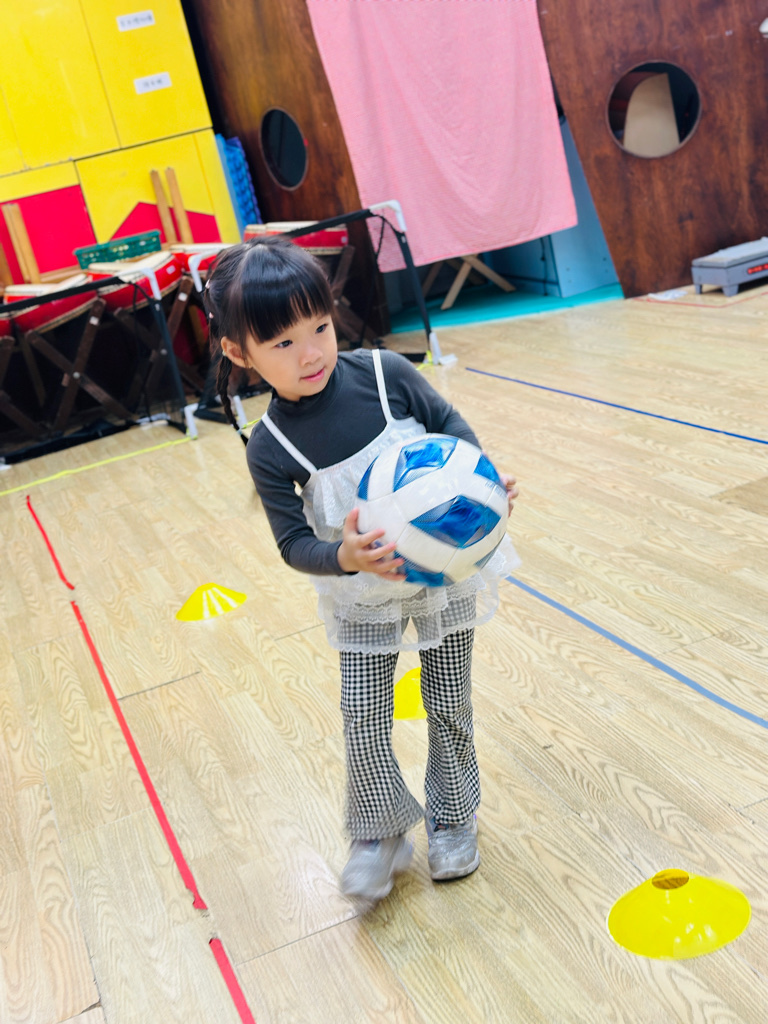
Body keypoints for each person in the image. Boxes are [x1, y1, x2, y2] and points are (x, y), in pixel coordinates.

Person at [204, 237, 520, 903]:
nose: (311, 353)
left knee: (448, 701)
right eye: (283, 343)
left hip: (443, 579)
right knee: (363, 714)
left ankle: (454, 816)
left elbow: (451, 426)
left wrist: (484, 484)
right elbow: (294, 544)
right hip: (361, 598)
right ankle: (379, 832)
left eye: (319, 328)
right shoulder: (270, 447)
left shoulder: (385, 373)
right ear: (239, 353)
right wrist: (343, 558)